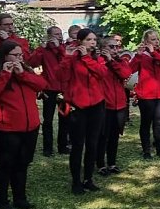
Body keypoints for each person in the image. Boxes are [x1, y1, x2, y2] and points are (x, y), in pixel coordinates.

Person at [0, 40, 46, 209]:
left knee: (22, 164)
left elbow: (42, 85)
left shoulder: (25, 71)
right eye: (15, 55)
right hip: (4, 128)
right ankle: (2, 202)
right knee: (4, 165)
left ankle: (20, 198)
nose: (18, 58)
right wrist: (5, 75)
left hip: (29, 126)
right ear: (4, 56)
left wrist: (22, 74)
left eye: (20, 55)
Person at [61, 29, 108, 194]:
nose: (93, 42)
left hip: (96, 105)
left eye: (94, 39)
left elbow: (102, 73)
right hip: (78, 106)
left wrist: (87, 58)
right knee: (77, 145)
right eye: (89, 40)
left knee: (92, 143)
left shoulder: (98, 58)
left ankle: (88, 178)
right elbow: (63, 76)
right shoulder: (72, 59)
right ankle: (76, 181)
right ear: (80, 42)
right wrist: (68, 56)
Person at [129, 29, 160, 159]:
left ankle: (159, 149)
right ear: (146, 41)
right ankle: (146, 151)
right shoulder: (141, 55)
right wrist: (138, 55)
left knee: (159, 123)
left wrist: (154, 53)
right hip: (146, 95)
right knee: (146, 123)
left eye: (158, 39)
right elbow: (130, 70)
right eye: (153, 39)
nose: (157, 41)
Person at [28, 26, 68, 157]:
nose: (59, 36)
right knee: (48, 120)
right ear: (49, 36)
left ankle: (63, 146)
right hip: (49, 89)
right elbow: (32, 63)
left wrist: (59, 48)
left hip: (64, 88)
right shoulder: (44, 50)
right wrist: (41, 48)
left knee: (64, 118)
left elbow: (67, 62)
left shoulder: (65, 48)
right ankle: (48, 148)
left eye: (60, 34)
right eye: (56, 34)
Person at [97, 36, 133, 176]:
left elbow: (126, 75)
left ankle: (112, 163)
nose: (115, 49)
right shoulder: (99, 61)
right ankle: (100, 164)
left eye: (116, 47)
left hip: (119, 105)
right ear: (102, 48)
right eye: (111, 47)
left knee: (114, 136)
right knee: (102, 136)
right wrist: (107, 61)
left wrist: (113, 61)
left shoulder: (120, 61)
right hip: (105, 104)